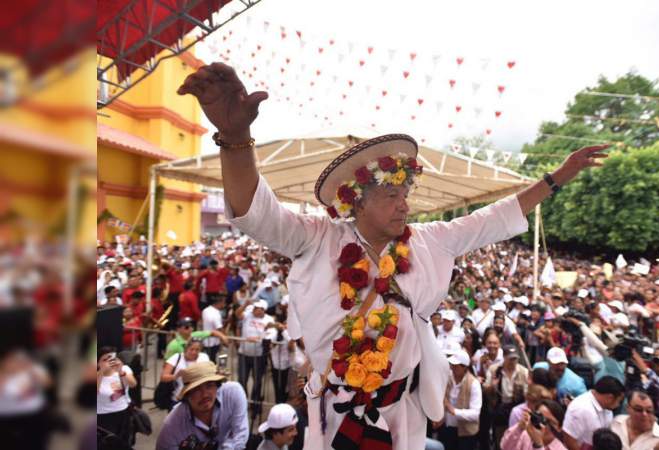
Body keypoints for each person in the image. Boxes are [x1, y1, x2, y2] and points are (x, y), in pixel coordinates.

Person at [177, 61, 607, 450]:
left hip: (403, 417)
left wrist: (555, 179)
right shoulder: (318, 238)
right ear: (357, 201)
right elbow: (258, 213)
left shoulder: (429, 240)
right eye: (390, 194)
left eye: (406, 193)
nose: (404, 205)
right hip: (333, 420)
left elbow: (492, 218)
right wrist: (235, 140)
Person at [156, 361, 249, 450]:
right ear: (187, 395)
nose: (205, 394)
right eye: (196, 389)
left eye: (209, 385)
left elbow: (240, 434)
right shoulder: (173, 423)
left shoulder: (233, 393)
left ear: (217, 386)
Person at [561, 376, 625, 450]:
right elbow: (569, 440)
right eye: (619, 401)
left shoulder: (607, 409)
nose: (618, 405)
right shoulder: (580, 408)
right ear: (610, 397)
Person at [484, 346, 529, 447]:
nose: (513, 361)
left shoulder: (523, 372)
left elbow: (527, 394)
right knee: (501, 440)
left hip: (517, 410)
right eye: (510, 359)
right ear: (504, 357)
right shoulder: (494, 370)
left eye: (515, 359)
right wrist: (492, 386)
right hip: (500, 409)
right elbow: (485, 389)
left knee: (517, 440)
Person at [437, 349, 482, 450]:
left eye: (456, 365)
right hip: (447, 429)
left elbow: (475, 414)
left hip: (466, 434)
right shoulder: (447, 377)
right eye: (452, 364)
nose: (452, 367)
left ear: (464, 367)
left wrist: (454, 411)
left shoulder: (474, 383)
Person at [235, 299, 274, 410]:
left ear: (263, 310)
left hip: (259, 355)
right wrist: (245, 304)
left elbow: (270, 334)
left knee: (257, 381)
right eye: (254, 308)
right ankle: (242, 401)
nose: (255, 310)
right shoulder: (248, 315)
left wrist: (258, 338)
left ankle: (255, 403)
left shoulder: (269, 319)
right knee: (242, 379)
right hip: (244, 353)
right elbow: (237, 314)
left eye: (257, 308)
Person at [97, 347, 137, 447]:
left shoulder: (124, 369)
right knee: (107, 444)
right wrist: (101, 372)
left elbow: (133, 384)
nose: (109, 362)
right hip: (103, 416)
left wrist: (120, 371)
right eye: (104, 360)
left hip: (123, 412)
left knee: (124, 442)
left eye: (111, 358)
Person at [160, 338, 210, 407]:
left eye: (197, 350)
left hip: (199, 397)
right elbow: (163, 377)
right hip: (180, 398)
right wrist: (176, 376)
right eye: (191, 349)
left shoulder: (204, 357)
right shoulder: (176, 357)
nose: (194, 352)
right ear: (186, 349)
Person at [500, 399, 567, 450]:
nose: (543, 426)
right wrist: (519, 427)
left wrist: (538, 445)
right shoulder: (525, 435)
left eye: (549, 422)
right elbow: (505, 447)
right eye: (541, 418)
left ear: (559, 428)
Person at [202, 295, 227, 362]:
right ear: (220, 302)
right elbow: (219, 328)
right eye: (224, 302)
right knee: (213, 361)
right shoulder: (216, 313)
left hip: (205, 340)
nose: (224, 304)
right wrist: (225, 338)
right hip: (213, 343)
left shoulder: (205, 310)